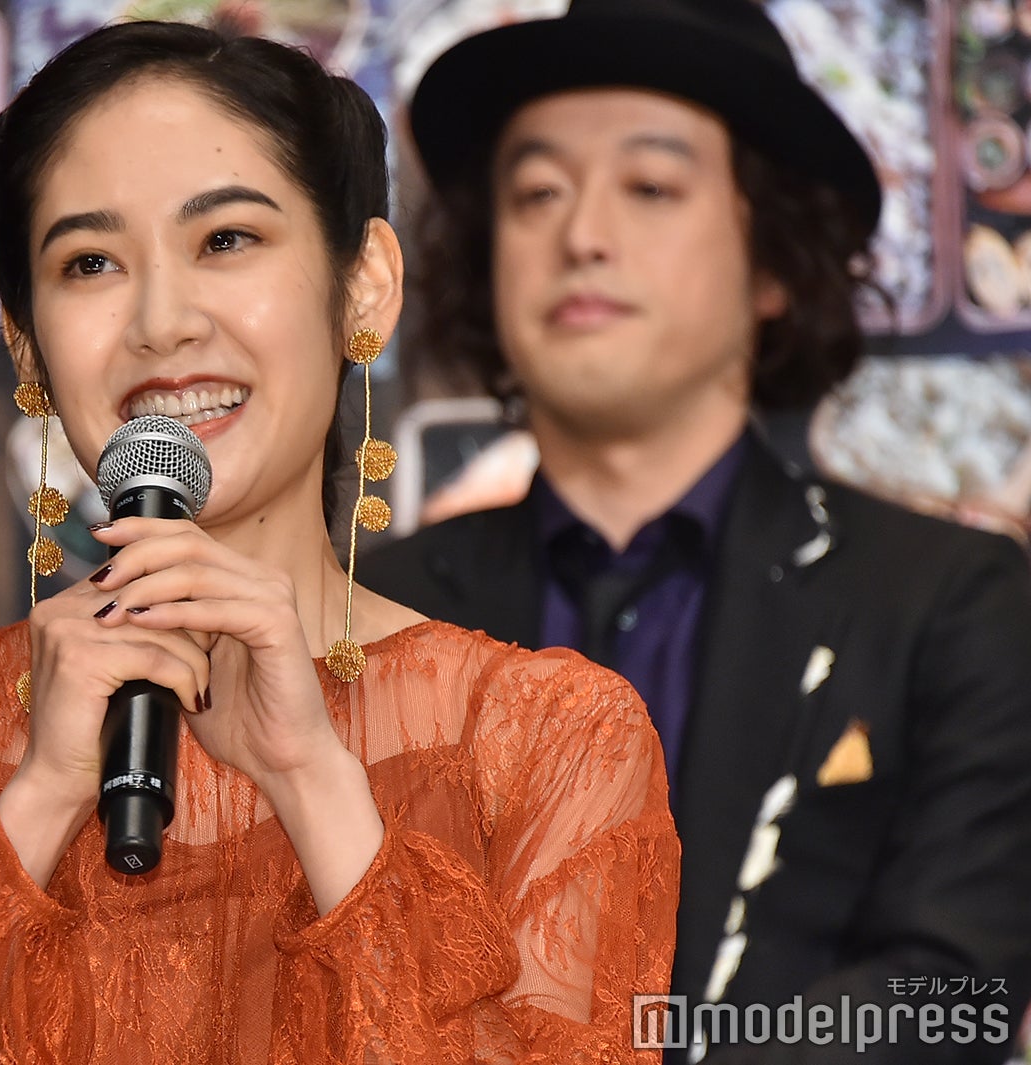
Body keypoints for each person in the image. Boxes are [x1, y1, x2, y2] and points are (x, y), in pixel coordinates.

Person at [0, 20, 678, 1064]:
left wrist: (314, 781)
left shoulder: (550, 743)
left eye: (226, 240)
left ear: (363, 285)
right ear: (26, 341)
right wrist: (36, 802)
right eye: (89, 262)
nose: (161, 322)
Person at [360, 1, 1031, 1061]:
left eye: (650, 187)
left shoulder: (946, 599)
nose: (582, 235)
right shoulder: (366, 616)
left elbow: (957, 993)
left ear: (773, 262)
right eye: (536, 193)